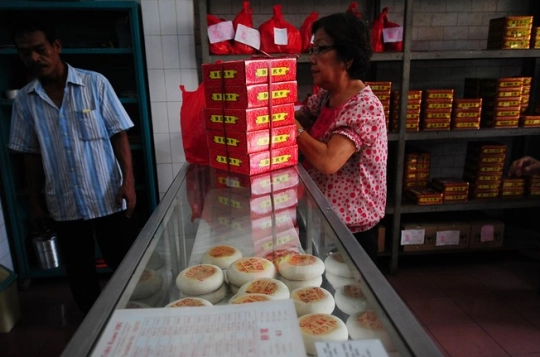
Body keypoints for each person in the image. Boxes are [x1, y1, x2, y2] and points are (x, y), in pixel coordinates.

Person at [8, 16, 138, 314]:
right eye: (25, 52)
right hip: (64, 203)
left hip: (107, 197)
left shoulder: (95, 84)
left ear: (56, 46)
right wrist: (36, 202)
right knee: (80, 275)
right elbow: (29, 154)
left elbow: (119, 134)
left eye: (39, 49)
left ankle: (133, 317)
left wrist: (128, 182)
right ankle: (92, 328)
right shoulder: (25, 102)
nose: (33, 58)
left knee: (126, 267)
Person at [295, 12, 387, 261]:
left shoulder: (364, 106)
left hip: (350, 231)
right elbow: (302, 116)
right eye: (312, 49)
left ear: (347, 58)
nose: (312, 59)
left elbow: (328, 161)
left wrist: (292, 128)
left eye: (321, 49)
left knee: (347, 296)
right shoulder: (328, 96)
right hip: (321, 217)